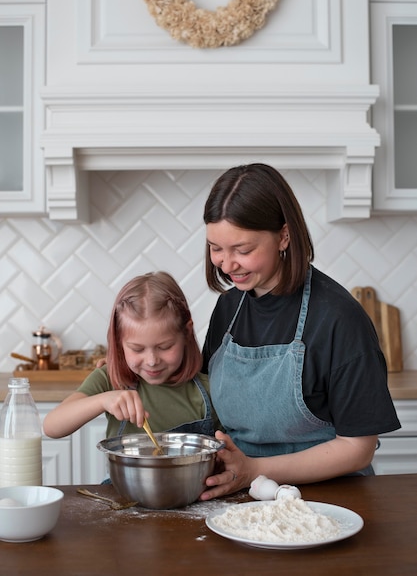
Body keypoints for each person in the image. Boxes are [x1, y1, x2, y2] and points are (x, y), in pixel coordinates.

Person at [199, 163, 401, 501]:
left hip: (328, 500)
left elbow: (358, 448)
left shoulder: (338, 319)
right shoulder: (228, 309)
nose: (227, 264)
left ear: (284, 236)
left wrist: (255, 468)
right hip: (241, 493)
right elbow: (203, 398)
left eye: (243, 250)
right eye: (216, 248)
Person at [43, 272, 221, 442]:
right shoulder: (110, 380)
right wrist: (103, 400)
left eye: (164, 347)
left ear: (187, 332)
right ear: (119, 342)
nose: (151, 361)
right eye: (137, 349)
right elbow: (51, 426)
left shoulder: (209, 389)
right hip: (124, 475)